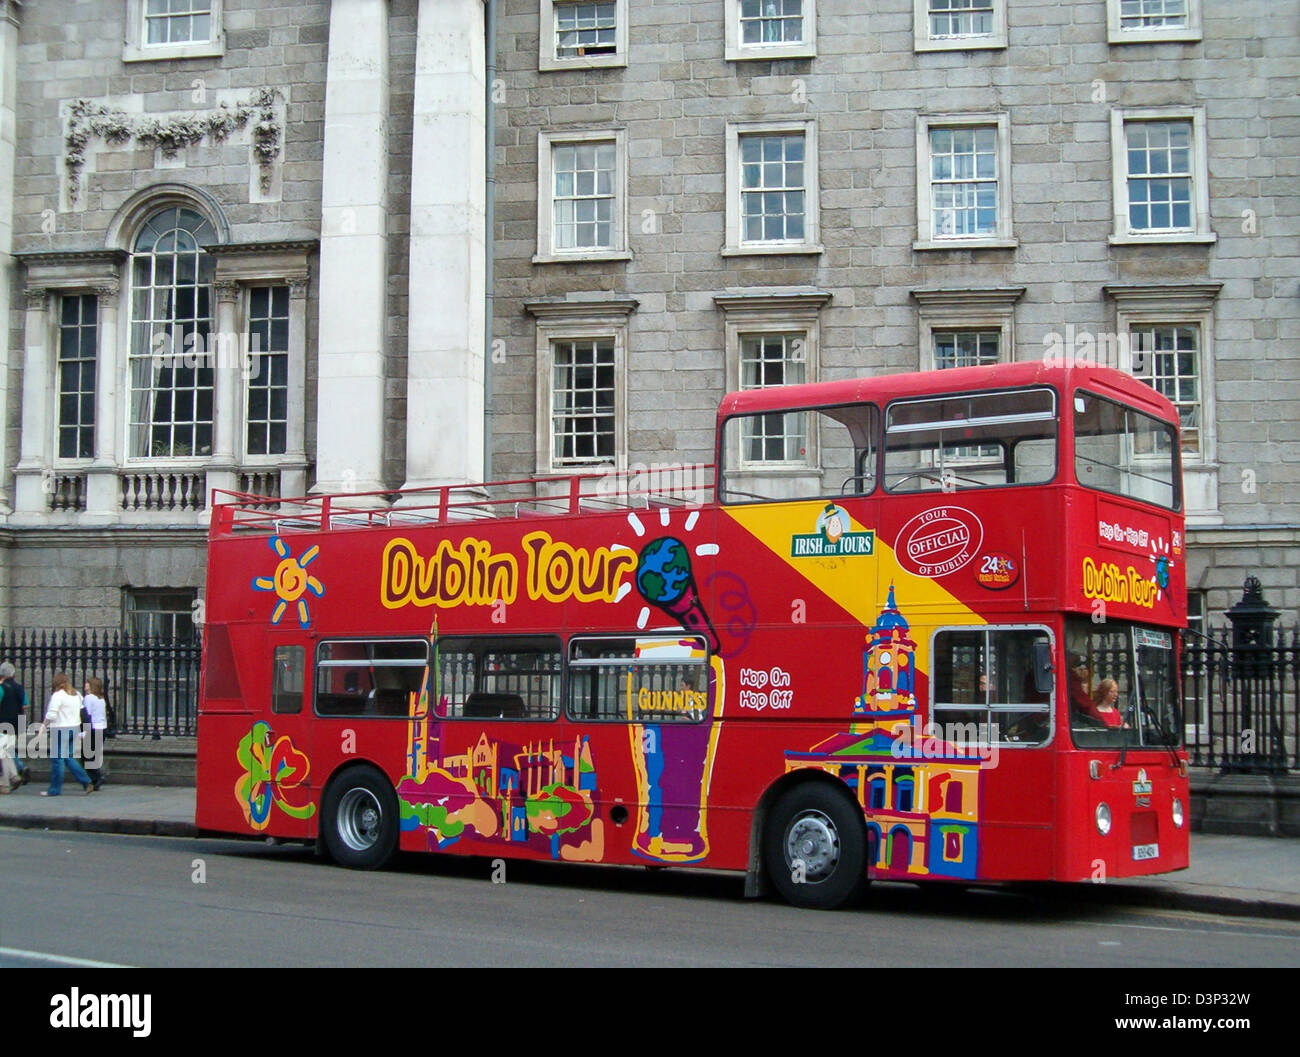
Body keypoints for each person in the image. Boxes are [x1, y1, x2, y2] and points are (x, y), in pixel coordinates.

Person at [37, 673, 93, 796]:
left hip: (61, 729)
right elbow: (83, 712)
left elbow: (52, 714)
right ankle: (86, 781)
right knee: (68, 757)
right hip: (74, 728)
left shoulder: (58, 695)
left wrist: (43, 725)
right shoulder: (76, 694)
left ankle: (54, 789)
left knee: (58, 760)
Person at [0, 661, 31, 786]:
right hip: (17, 723)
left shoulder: (1, 688)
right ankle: (17, 770)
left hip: (3, 722)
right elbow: (25, 704)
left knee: (3, 751)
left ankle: (10, 778)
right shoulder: (19, 688)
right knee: (7, 749)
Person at [82, 676, 108, 791]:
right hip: (102, 728)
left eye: (87, 683)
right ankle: (95, 779)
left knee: (86, 756)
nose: (85, 685)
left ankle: (97, 776)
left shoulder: (89, 698)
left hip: (92, 728)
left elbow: (86, 716)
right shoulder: (101, 699)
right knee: (93, 756)